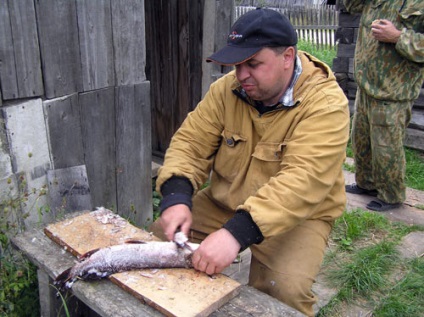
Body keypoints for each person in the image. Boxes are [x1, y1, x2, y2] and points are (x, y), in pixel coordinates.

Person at [152, 8, 349, 316]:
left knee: (283, 291)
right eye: (237, 64)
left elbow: (303, 181)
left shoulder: (325, 104)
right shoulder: (226, 90)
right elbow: (190, 143)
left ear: (287, 56)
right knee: (156, 245)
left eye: (253, 64)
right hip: (226, 200)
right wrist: (176, 196)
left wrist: (234, 234)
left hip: (299, 214)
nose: (241, 75)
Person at [344, 1, 424, 211]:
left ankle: (391, 195)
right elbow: (351, 6)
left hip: (394, 90)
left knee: (386, 148)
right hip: (367, 84)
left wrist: (398, 36)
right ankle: (367, 184)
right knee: (361, 141)